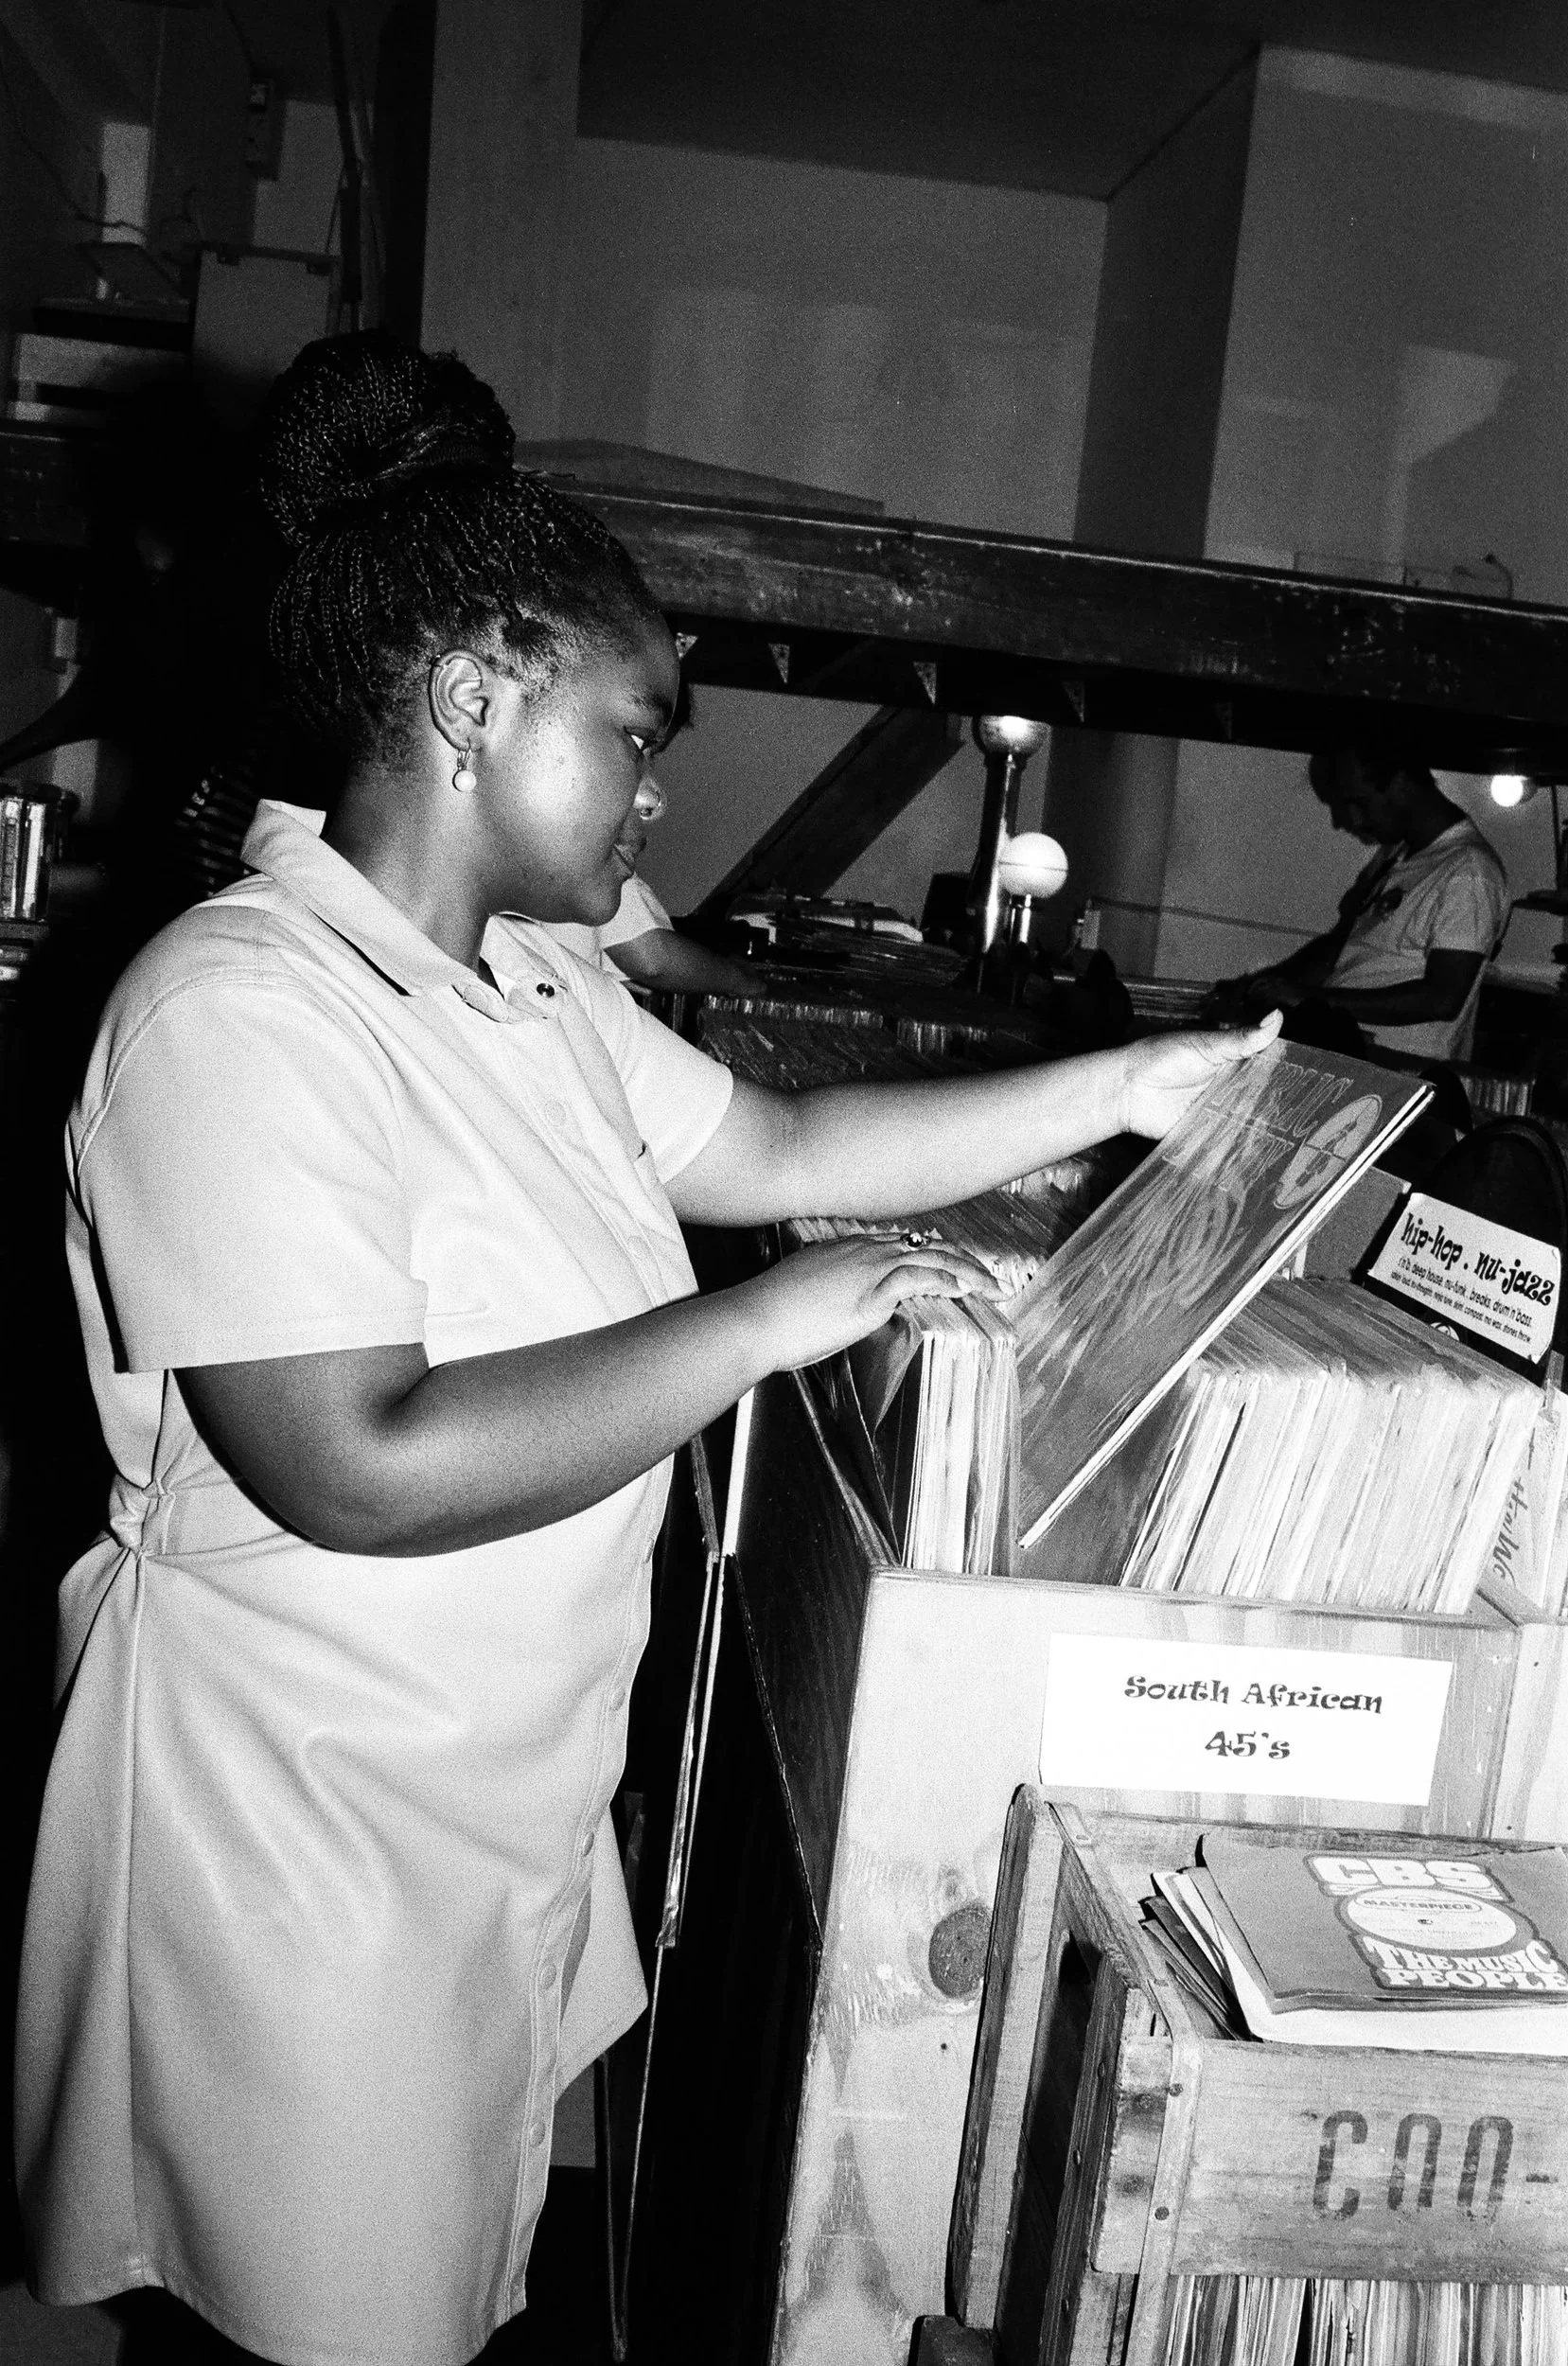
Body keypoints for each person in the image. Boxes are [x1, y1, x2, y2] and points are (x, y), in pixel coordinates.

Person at [13, 331, 1278, 2366]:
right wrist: (767, 1315)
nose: (660, 785)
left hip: (476, 1804)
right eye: (635, 729)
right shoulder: (236, 1012)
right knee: (299, 2316)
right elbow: (358, 1455)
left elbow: (776, 1142)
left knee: (425, 2285)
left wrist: (1127, 1082)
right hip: (295, 1843)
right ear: (471, 700)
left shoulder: (518, 983)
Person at [1221, 740, 1509, 1063]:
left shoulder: (1469, 870)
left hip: (1399, 1069)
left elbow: (1442, 998)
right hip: (1350, 1054)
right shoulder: (1397, 855)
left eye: (1359, 803)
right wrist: (1257, 987)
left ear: (1401, 784)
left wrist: (1312, 998)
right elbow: (1338, 948)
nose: (1349, 820)